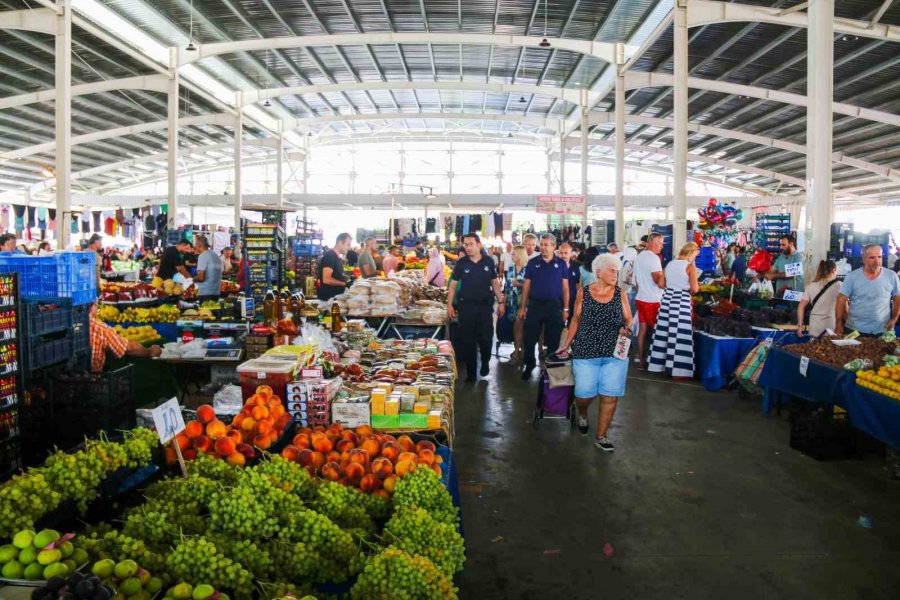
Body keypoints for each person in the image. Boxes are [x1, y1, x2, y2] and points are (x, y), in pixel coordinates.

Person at [557, 254, 632, 451]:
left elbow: (628, 319)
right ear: (598, 272)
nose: (616, 274)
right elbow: (575, 319)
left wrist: (625, 328)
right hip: (585, 350)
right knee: (584, 394)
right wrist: (566, 344)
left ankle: (602, 435)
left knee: (610, 395)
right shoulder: (584, 293)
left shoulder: (620, 293)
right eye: (611, 270)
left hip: (614, 353)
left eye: (617, 271)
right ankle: (582, 413)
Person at [446, 233, 505, 382]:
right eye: (465, 245)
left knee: (486, 338)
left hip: (485, 307)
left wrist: (501, 300)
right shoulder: (461, 263)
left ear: (479, 245)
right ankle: (471, 373)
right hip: (466, 307)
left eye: (471, 244)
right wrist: (449, 306)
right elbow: (452, 287)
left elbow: (494, 283)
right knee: (468, 341)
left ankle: (485, 362)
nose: (468, 247)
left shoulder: (489, 261)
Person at [518, 233, 569, 380]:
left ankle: (550, 368)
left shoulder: (561, 264)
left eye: (547, 245)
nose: (544, 248)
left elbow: (565, 288)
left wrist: (566, 308)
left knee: (553, 339)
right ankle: (529, 365)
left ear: (554, 246)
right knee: (529, 337)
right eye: (542, 244)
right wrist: (523, 307)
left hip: (554, 306)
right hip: (535, 305)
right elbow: (527, 285)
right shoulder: (533, 262)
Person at [648, 242, 700, 380]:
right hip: (681, 301)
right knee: (680, 334)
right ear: (691, 253)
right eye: (695, 256)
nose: (694, 259)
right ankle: (679, 371)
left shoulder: (670, 264)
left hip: (666, 300)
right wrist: (686, 287)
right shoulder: (690, 267)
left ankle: (659, 366)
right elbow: (695, 289)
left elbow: (660, 284)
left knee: (664, 332)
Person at [835, 244, 900, 336]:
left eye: (879, 257)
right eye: (872, 257)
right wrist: (838, 323)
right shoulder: (852, 277)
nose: (877, 261)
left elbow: (897, 298)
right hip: (854, 330)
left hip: (882, 329)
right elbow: (841, 299)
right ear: (864, 259)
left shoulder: (891, 276)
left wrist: (894, 319)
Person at [89, 301, 161, 373]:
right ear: (91, 307)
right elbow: (127, 348)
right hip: (93, 380)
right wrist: (149, 352)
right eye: (97, 306)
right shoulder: (99, 328)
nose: (97, 310)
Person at [633, 233, 666, 369]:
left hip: (640, 297)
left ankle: (641, 361)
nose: (661, 246)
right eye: (660, 242)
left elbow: (636, 281)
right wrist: (665, 273)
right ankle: (655, 362)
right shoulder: (653, 259)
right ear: (651, 241)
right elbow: (659, 282)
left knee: (642, 331)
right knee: (656, 332)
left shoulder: (639, 256)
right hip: (653, 300)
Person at [797, 260, 840, 337]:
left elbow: (801, 306)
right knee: (830, 347)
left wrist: (800, 327)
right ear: (834, 270)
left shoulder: (811, 285)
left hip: (815, 325)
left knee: (814, 347)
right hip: (830, 325)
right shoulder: (838, 285)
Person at [506, 245, 529, 363]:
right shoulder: (510, 268)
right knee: (516, 328)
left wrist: (519, 284)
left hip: (524, 302)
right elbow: (507, 286)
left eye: (514, 254)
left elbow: (531, 285)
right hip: (511, 301)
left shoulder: (528, 269)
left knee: (519, 326)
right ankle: (519, 350)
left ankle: (517, 352)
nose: (512, 256)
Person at [318, 233, 352, 301]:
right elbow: (326, 279)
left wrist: (348, 278)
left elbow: (336, 275)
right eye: (348, 245)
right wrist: (344, 284)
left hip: (334, 299)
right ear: (340, 243)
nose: (349, 248)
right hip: (328, 300)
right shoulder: (330, 256)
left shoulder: (336, 257)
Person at [193, 235, 223, 301]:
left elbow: (201, 278)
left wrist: (192, 280)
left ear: (199, 245)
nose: (195, 246)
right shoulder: (216, 256)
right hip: (216, 292)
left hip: (205, 293)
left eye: (195, 244)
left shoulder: (202, 256)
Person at [557, 242, 580, 323]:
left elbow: (577, 284)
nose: (563, 255)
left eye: (566, 253)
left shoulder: (576, 266)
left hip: (572, 300)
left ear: (570, 254)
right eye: (561, 253)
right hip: (557, 301)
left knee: (572, 324)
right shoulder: (554, 266)